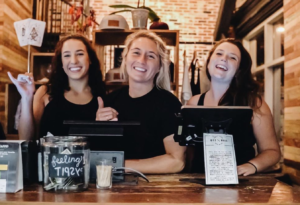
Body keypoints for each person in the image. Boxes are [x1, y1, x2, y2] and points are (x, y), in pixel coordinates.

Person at [96, 30, 186, 174]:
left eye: (151, 56)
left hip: (156, 190)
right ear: (125, 58)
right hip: (113, 188)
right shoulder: (109, 102)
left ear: (159, 67)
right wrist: (99, 128)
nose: (142, 60)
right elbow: (97, 157)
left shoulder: (169, 105)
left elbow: (176, 162)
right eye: (136, 53)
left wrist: (120, 165)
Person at [187, 38, 281, 176]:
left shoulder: (254, 103)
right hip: (199, 183)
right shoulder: (193, 103)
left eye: (232, 57)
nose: (224, 59)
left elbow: (272, 151)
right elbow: (189, 152)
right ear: (208, 62)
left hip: (240, 183)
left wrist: (251, 166)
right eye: (219, 54)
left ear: (239, 70)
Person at [8, 34, 106, 141]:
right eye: (67, 55)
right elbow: (26, 139)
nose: (73, 61)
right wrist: (26, 98)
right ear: (61, 62)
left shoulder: (102, 97)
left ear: (90, 59)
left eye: (80, 54)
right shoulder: (45, 93)